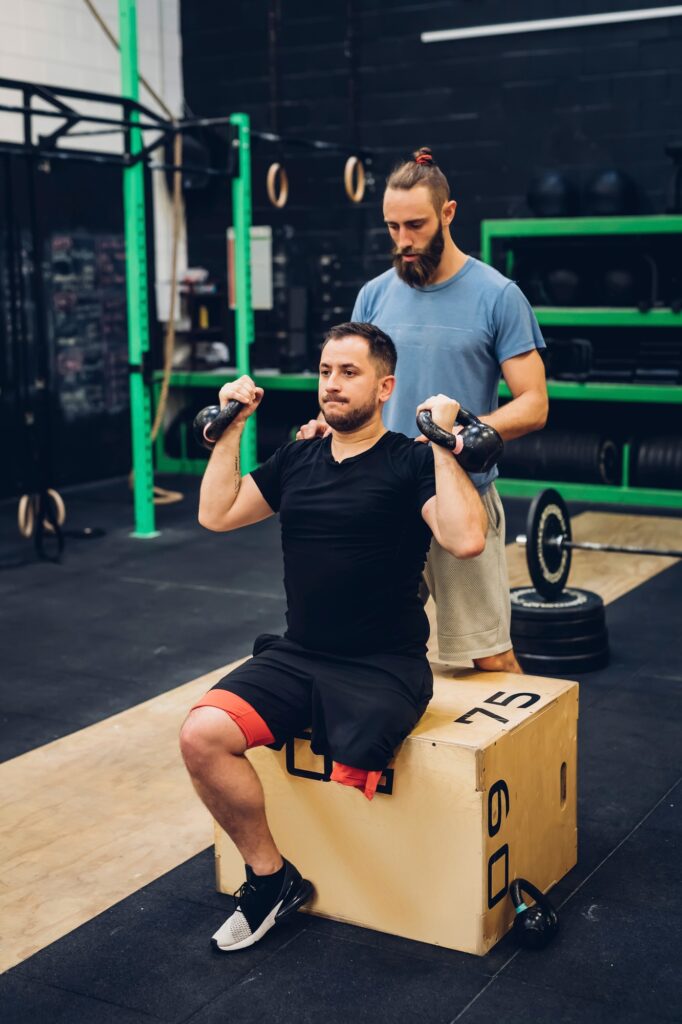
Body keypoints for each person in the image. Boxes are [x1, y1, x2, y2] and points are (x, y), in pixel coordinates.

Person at [179, 321, 487, 952]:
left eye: (349, 373)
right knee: (201, 736)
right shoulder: (299, 456)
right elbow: (217, 513)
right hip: (301, 655)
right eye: (325, 372)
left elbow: (465, 538)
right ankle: (271, 879)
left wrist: (444, 443)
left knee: (357, 772)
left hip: (383, 665)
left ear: (384, 387)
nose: (332, 386)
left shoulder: (408, 459)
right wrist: (232, 427)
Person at [299, 148, 548, 674]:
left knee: (491, 657)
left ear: (448, 214)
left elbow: (533, 405)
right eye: (393, 227)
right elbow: (353, 380)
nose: (403, 241)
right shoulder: (373, 296)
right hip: (381, 500)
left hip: (458, 494)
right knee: (360, 645)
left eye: (415, 225)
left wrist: (452, 433)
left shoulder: (499, 296)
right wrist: (330, 420)